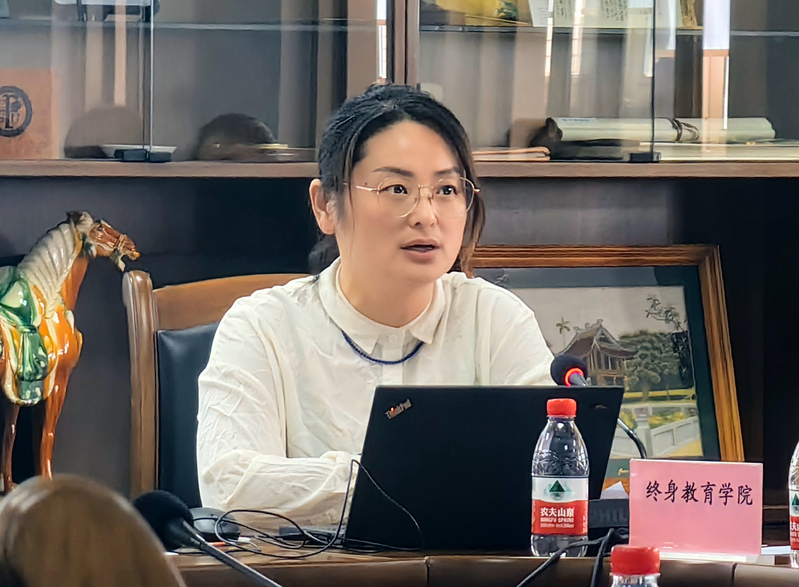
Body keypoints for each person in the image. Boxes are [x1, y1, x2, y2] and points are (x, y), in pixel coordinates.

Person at [196, 83, 554, 527]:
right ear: (326, 205)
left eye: (446, 189)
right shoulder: (262, 328)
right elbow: (230, 485)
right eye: (397, 188)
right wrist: (407, 477)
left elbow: (557, 467)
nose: (426, 215)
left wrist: (382, 482)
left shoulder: (495, 319)